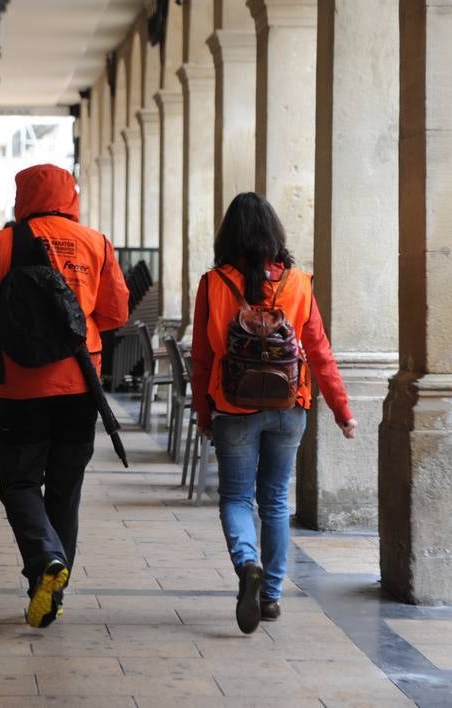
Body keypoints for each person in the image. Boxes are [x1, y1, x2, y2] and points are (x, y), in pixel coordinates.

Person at [0, 164, 129, 628]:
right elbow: (115, 312)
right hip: (81, 385)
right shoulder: (95, 241)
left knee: (18, 483)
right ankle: (54, 586)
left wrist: (20, 325)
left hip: (21, 385)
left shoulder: (4, 242)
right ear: (69, 195)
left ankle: (45, 560)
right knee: (65, 490)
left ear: (24, 195)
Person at [190, 192, 357, 634]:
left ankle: (248, 564)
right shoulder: (299, 283)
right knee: (277, 500)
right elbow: (319, 349)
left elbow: (203, 357)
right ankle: (272, 596)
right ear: (274, 232)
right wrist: (342, 410)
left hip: (233, 406)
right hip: (289, 406)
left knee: (236, 498)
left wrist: (203, 411)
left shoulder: (213, 284)